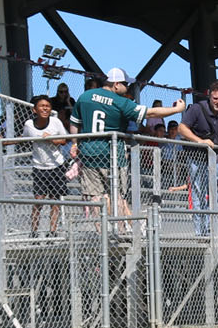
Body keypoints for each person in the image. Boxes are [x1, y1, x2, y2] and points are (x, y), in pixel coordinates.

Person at [71, 68, 184, 227]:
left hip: (89, 151)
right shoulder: (120, 101)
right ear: (116, 84)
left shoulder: (85, 97)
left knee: (95, 197)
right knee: (117, 196)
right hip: (112, 153)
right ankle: (121, 232)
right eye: (125, 84)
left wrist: (75, 143)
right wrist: (176, 110)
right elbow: (150, 113)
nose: (127, 87)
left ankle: (102, 233)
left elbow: (74, 124)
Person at [176, 79, 218, 236]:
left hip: (217, 158)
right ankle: (201, 233)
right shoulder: (197, 109)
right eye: (215, 98)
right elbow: (181, 128)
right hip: (196, 157)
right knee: (198, 194)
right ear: (209, 96)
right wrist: (200, 141)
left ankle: (208, 228)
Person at [10, 94, 70, 237]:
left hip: (56, 164)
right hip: (39, 166)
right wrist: (3, 141)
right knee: (38, 200)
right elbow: (23, 138)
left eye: (48, 106)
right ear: (35, 110)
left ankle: (53, 231)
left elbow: (65, 139)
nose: (45, 108)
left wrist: (54, 140)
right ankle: (34, 231)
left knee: (55, 200)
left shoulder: (56, 122)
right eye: (42, 106)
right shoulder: (29, 125)